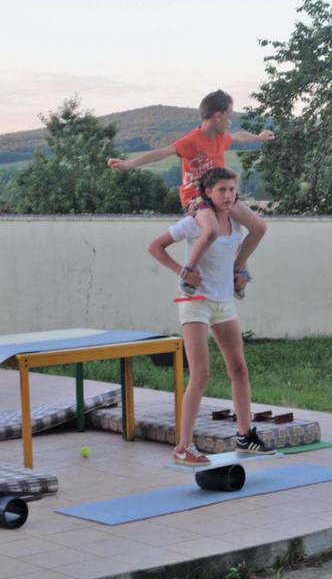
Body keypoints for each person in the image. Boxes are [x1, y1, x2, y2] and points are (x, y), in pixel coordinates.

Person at [148, 166, 276, 466]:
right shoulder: (194, 223)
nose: (228, 195)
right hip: (195, 302)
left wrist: (241, 270)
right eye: (221, 190)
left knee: (239, 369)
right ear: (208, 193)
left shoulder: (236, 222)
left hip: (224, 302)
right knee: (201, 373)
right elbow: (155, 247)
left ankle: (245, 436)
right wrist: (181, 271)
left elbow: (248, 240)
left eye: (232, 189)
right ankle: (183, 447)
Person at [108, 90, 274, 298]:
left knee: (259, 227)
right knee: (211, 229)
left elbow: (239, 136)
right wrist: (129, 164)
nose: (230, 122)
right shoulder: (191, 141)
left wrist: (259, 137)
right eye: (229, 116)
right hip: (196, 197)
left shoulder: (221, 138)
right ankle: (188, 272)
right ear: (218, 116)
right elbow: (161, 153)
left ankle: (237, 267)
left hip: (219, 194)